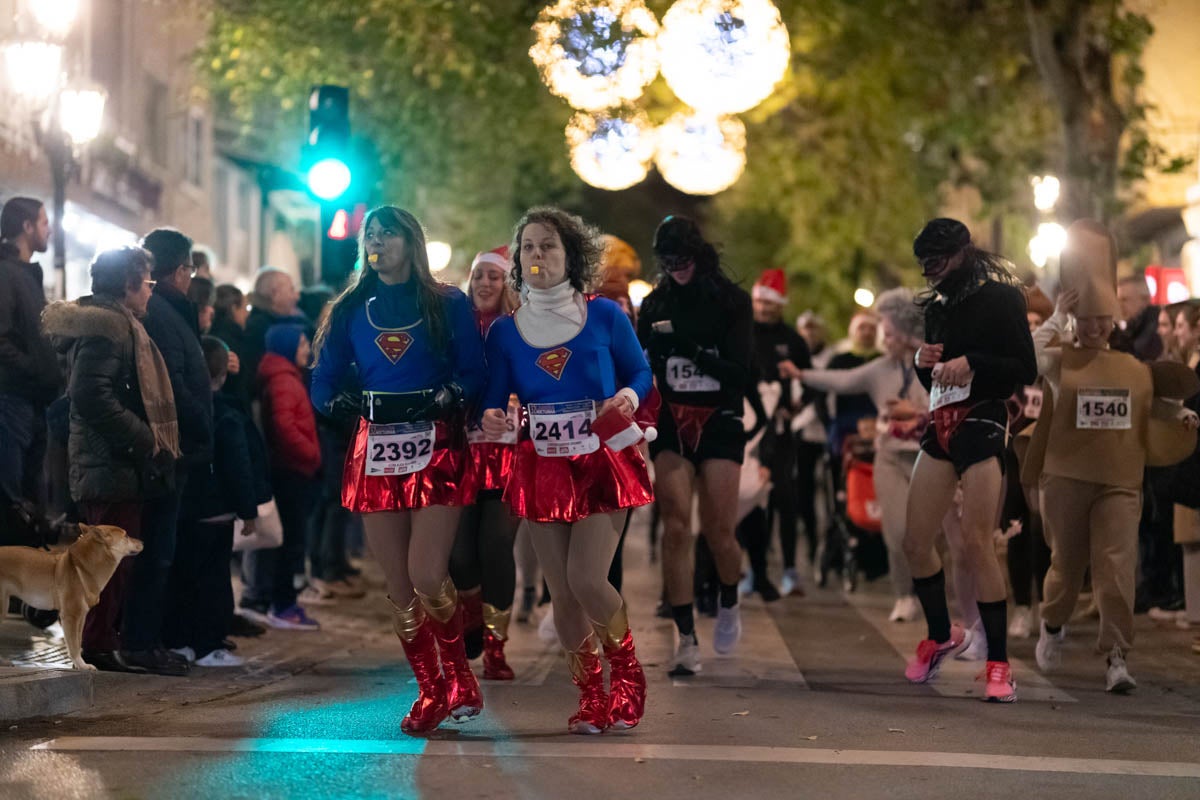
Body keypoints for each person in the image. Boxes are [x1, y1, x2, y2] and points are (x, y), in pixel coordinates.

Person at [311, 205, 487, 735]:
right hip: (375, 449)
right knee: (399, 585)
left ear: (412, 242)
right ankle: (431, 690)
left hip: (436, 445)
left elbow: (474, 370)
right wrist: (345, 409)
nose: (378, 241)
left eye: (389, 234)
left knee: (428, 572)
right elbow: (323, 379)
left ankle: (459, 677)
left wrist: (449, 396)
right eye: (372, 234)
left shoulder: (447, 303)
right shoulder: (349, 308)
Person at [481, 207, 652, 734]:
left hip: (603, 456)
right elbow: (494, 399)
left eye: (548, 245)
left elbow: (640, 371)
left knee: (585, 577)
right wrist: (490, 416)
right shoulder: (507, 333)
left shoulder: (604, 315)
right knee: (561, 593)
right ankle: (589, 697)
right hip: (542, 464)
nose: (538, 255)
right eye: (529, 246)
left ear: (570, 255)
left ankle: (626, 675)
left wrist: (624, 399)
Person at [1026, 220, 1199, 692]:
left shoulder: (1133, 368)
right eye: (1087, 318)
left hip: (1120, 480)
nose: (1096, 326)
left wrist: (1182, 416)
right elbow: (1028, 356)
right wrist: (1058, 318)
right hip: (1064, 477)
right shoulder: (1060, 359)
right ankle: (1053, 624)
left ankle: (1117, 657)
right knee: (1067, 565)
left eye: (1103, 319)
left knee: (1117, 568)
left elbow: (1156, 404)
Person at [903, 218, 1037, 703]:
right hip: (940, 421)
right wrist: (922, 363)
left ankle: (999, 664)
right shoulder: (936, 306)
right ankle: (942, 635)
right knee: (916, 541)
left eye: (937, 265)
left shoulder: (1001, 298)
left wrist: (976, 360)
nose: (931, 275)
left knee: (979, 541)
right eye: (925, 268)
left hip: (983, 418)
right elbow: (934, 380)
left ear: (963, 254)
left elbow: (1025, 367)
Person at [42, 246, 180, 673]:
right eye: (148, 283)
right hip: (109, 464)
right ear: (128, 285)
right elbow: (89, 394)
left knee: (112, 567)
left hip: (115, 464)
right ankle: (97, 642)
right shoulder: (110, 329)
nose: (151, 293)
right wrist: (145, 436)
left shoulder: (118, 326)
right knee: (103, 566)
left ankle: (101, 640)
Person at [637, 215, 752, 677]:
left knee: (720, 531)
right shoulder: (655, 301)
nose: (677, 268)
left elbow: (742, 374)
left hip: (721, 420)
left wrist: (689, 349)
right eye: (668, 261)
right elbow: (642, 362)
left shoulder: (731, 301)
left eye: (683, 260)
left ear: (699, 255)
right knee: (677, 526)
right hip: (672, 423)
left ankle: (728, 599)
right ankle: (685, 638)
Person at [800, 288, 928, 623]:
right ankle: (904, 595)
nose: (884, 339)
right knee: (896, 530)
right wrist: (801, 374)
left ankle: (932, 594)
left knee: (928, 534)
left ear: (905, 333)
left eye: (888, 332)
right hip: (887, 455)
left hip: (926, 456)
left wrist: (912, 409)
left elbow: (943, 405)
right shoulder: (878, 369)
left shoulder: (928, 367)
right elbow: (842, 380)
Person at [134, 227, 214, 676]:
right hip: (169, 448)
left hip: (177, 446)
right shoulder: (163, 313)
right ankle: (143, 640)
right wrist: (200, 420)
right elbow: (172, 384)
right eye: (188, 269)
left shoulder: (166, 310)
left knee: (164, 548)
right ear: (180, 270)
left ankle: (150, 638)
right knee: (156, 549)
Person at [166, 336, 259, 666]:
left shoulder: (176, 411)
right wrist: (249, 511)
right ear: (222, 375)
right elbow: (239, 467)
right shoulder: (225, 415)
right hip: (216, 512)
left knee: (180, 578)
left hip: (182, 510)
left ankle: (180, 642)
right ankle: (208, 645)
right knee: (214, 582)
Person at [451, 246, 521, 679]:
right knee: (458, 555)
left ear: (508, 283)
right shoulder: (455, 330)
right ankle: (471, 615)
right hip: (459, 452)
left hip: (508, 452)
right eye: (479, 276)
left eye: (494, 277)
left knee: (496, 547)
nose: (485, 284)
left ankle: (496, 646)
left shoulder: (520, 330)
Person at [243, 323, 323, 629]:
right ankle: (283, 605)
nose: (307, 349)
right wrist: (312, 456)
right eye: (303, 343)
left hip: (292, 469)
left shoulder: (285, 376)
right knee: (290, 542)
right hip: (291, 471)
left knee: (289, 541)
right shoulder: (283, 381)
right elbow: (284, 429)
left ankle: (281, 602)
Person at [750, 268, 811, 596]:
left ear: (780, 305)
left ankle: (789, 568)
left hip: (782, 431)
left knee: (785, 497)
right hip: (749, 433)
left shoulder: (793, 340)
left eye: (769, 304)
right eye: (759, 302)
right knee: (751, 500)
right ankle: (753, 569)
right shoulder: (743, 332)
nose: (763, 308)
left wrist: (799, 405)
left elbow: (810, 378)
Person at [0, 197, 59, 507]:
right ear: (26, 226)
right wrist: (35, 369)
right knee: (13, 503)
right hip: (13, 403)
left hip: (33, 402)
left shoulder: (27, 275)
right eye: (44, 222)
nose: (49, 230)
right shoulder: (6, 274)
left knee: (30, 498)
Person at [245, 267, 309, 385]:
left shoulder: (294, 320)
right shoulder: (259, 329)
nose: (297, 297)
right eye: (291, 290)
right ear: (274, 294)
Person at [1111, 275, 1163, 362]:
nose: (1119, 305)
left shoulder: (1156, 327)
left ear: (1145, 299)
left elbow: (1135, 358)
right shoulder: (1134, 327)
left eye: (1124, 300)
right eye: (1117, 300)